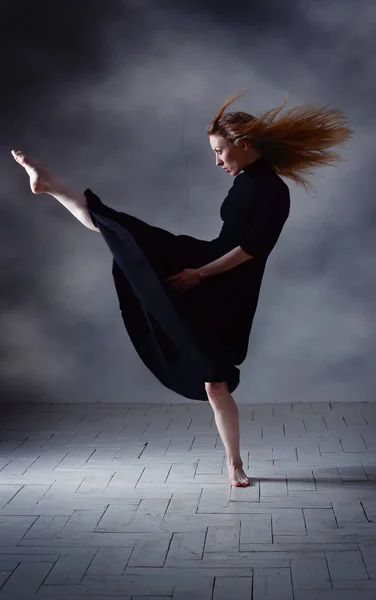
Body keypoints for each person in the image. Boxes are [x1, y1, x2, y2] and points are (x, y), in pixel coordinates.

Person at [11, 90, 353, 486]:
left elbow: (252, 249)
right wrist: (199, 269)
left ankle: (234, 464)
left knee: (215, 381)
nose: (217, 161)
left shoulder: (274, 190)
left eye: (220, 151)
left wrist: (200, 274)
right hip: (207, 262)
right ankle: (51, 186)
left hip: (227, 285)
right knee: (129, 235)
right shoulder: (246, 179)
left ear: (242, 145)